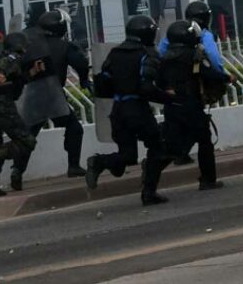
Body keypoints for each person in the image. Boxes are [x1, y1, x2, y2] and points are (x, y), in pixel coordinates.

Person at [85, 15, 175, 206]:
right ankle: (149, 193)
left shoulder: (115, 53)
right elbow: (147, 88)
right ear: (148, 33)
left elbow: (103, 84)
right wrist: (169, 98)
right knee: (159, 148)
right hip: (137, 110)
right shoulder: (147, 54)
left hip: (118, 110)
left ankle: (99, 162)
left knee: (128, 155)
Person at [159, 20, 231, 190]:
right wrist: (227, 78)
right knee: (204, 141)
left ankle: (152, 169)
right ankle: (208, 180)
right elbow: (209, 73)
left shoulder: (163, 57)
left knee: (174, 144)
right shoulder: (194, 55)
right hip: (191, 104)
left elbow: (158, 80)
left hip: (171, 106)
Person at [17, 10, 88, 181]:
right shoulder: (63, 45)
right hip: (54, 95)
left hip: (33, 96)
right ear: (61, 26)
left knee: (29, 135)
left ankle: (17, 172)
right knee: (74, 128)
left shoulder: (29, 45)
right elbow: (81, 63)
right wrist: (85, 81)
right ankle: (73, 166)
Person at [0, 33, 42, 197]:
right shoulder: (11, 58)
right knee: (27, 141)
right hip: (2, 106)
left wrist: (32, 72)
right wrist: (1, 72)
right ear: (18, 46)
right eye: (24, 46)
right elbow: (5, 65)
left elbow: (16, 81)